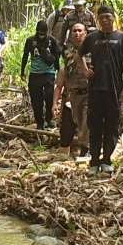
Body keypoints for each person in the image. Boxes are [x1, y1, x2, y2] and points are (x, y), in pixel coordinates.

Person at [79, 5, 123, 174]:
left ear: (113, 18)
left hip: (114, 90)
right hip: (95, 89)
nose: (105, 20)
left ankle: (107, 159)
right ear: (98, 19)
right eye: (101, 17)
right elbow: (79, 53)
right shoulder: (92, 37)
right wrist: (85, 70)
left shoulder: (122, 38)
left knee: (111, 126)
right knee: (94, 125)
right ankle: (94, 161)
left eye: (108, 17)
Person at [54, 22, 91, 156]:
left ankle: (86, 154)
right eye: (74, 31)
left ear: (85, 33)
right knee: (67, 129)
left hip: (88, 94)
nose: (77, 34)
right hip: (72, 97)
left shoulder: (92, 51)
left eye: (80, 31)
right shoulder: (68, 54)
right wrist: (56, 102)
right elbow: (63, 76)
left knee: (86, 127)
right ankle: (67, 155)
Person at [20, 20, 61, 130]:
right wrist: (22, 71)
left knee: (49, 97)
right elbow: (25, 56)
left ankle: (49, 118)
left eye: (43, 33)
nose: (41, 36)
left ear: (47, 32)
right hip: (35, 74)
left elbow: (56, 57)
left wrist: (59, 72)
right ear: (37, 32)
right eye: (40, 33)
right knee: (36, 100)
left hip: (49, 73)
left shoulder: (52, 41)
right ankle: (39, 121)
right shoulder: (30, 41)